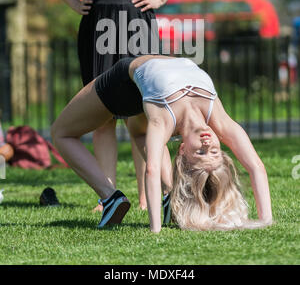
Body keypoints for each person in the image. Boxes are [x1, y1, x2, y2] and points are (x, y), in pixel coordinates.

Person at [45, 0, 190, 210]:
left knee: (143, 112)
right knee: (102, 116)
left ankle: (148, 196)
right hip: (95, 28)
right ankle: (106, 196)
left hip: (136, 25)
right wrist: (74, 3)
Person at [51, 55, 273, 233]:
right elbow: (256, 166)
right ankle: (171, 195)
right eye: (214, 150)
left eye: (201, 152)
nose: (207, 142)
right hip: (148, 80)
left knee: (61, 132)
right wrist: (266, 219)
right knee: (138, 131)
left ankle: (110, 197)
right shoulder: (219, 120)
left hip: (125, 82)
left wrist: (155, 229)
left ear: (183, 150)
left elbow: (152, 169)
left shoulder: (164, 118)